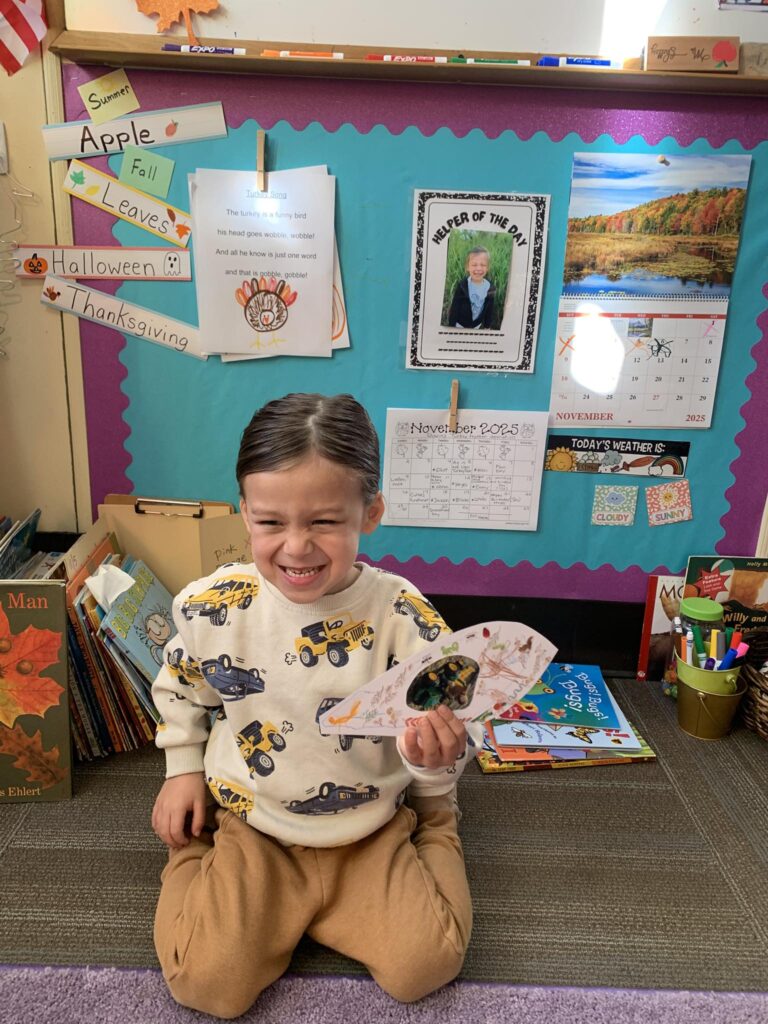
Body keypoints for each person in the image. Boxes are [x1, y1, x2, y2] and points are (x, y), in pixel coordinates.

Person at [151, 393, 480, 1019]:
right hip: (254, 822)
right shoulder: (210, 606)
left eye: (324, 521)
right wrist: (183, 771)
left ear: (370, 512)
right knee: (204, 983)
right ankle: (195, 848)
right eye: (271, 522)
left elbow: (451, 724)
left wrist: (436, 774)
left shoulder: (404, 616)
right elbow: (180, 688)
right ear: (245, 512)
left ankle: (437, 824)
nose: (297, 547)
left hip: (371, 825)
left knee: (428, 963)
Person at [447, 246, 496, 329]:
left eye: (483, 265)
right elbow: (455, 307)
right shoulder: (462, 285)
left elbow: (489, 309)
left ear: (487, 267)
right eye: (474, 265)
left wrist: (487, 326)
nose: (478, 268)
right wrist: (451, 326)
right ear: (468, 267)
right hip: (460, 325)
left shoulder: (490, 288)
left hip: (476, 325)